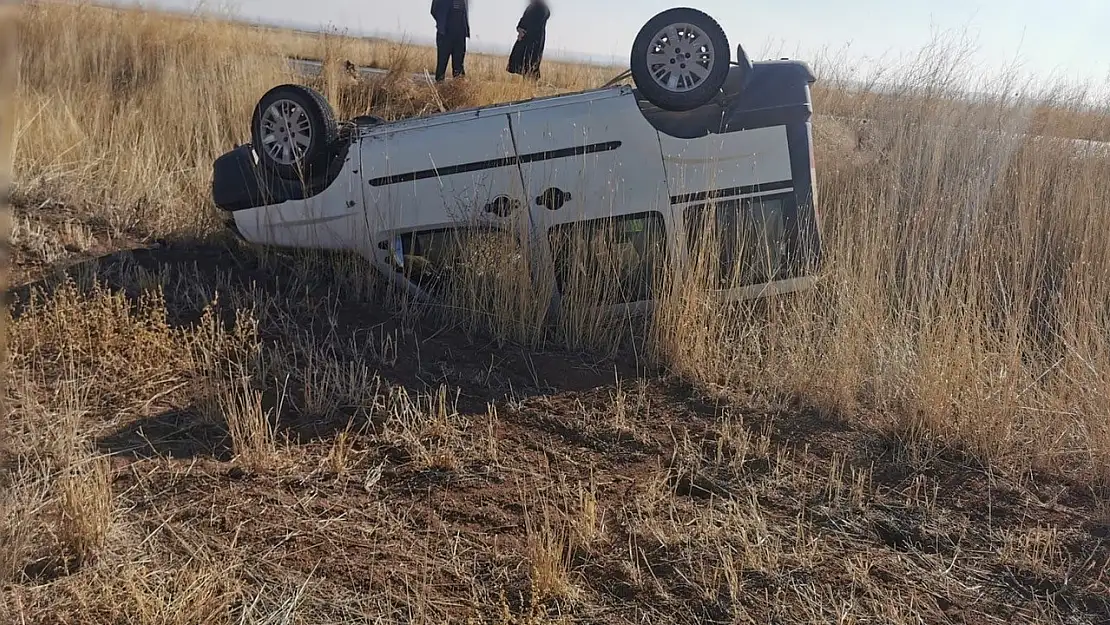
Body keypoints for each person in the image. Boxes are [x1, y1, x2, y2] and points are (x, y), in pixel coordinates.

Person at [506, 0, 550, 80]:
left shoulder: (543, 9)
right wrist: (519, 30)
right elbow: (522, 20)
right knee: (523, 63)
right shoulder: (531, 7)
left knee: (531, 64)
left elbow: (536, 25)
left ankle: (530, 87)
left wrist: (524, 33)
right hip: (525, 39)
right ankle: (526, 87)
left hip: (535, 40)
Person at [431, 0, 470, 82]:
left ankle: (458, 91)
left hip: (460, 35)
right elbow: (433, 10)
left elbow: (464, 12)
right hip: (445, 34)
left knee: (458, 67)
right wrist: (441, 23)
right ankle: (438, 90)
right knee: (442, 65)